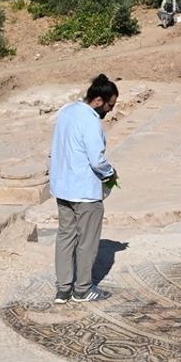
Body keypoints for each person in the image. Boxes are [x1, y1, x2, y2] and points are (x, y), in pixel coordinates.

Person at [50, 74, 119, 304]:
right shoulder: (91, 121)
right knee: (87, 241)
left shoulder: (67, 112)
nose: (110, 111)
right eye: (110, 105)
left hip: (63, 188)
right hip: (84, 191)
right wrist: (110, 173)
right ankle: (82, 289)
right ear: (98, 101)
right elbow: (97, 160)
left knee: (65, 237)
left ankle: (63, 289)